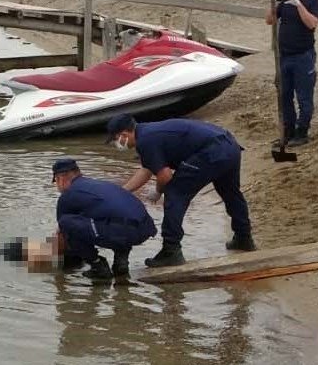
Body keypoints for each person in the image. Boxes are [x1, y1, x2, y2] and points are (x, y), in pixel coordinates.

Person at [106, 114, 254, 268]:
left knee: (174, 194)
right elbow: (147, 169)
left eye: (115, 140)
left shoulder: (145, 141)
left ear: (124, 134)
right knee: (231, 193)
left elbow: (165, 176)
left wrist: (158, 191)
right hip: (229, 145)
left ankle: (171, 250)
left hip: (211, 152)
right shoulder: (148, 132)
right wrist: (122, 191)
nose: (117, 144)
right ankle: (244, 237)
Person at [52, 157, 157, 280]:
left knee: (66, 223)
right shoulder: (101, 185)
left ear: (60, 179)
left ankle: (98, 266)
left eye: (56, 182)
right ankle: (120, 262)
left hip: (125, 232)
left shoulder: (67, 196)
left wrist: (58, 267)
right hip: (145, 229)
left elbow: (62, 233)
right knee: (112, 218)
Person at [264, 0, 318, 145]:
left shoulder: (314, 2)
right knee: (284, 95)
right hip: (284, 57)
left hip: (303, 57)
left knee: (304, 97)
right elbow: (269, 20)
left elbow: (312, 24)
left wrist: (297, 3)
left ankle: (302, 132)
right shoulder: (285, 3)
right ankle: (288, 131)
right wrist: (274, 4)